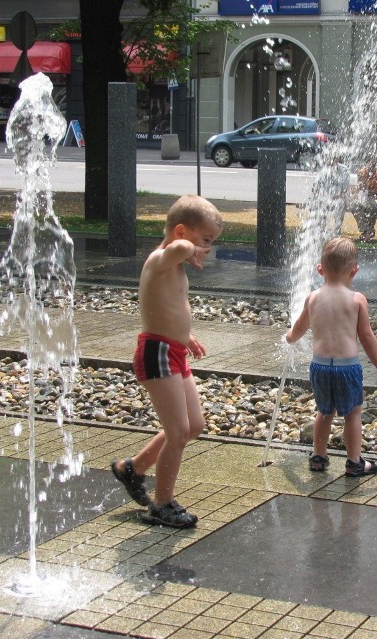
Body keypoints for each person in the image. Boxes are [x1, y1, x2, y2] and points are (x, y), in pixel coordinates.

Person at [111, 195, 223, 528]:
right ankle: (161, 504)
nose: (207, 249)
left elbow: (167, 306)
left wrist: (185, 335)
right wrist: (192, 249)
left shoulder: (173, 265)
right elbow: (177, 250)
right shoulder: (161, 258)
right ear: (179, 231)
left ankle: (133, 468)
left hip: (172, 350)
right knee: (177, 433)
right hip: (156, 352)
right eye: (205, 241)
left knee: (193, 427)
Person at [286, 237, 377, 477]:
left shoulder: (313, 298)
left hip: (320, 366)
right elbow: (366, 337)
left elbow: (300, 328)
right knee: (352, 413)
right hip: (347, 368)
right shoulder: (357, 300)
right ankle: (354, 461)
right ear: (354, 271)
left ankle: (318, 456)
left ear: (320, 269)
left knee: (324, 411)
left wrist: (290, 338)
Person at [350, 159, 377, 241]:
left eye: (374, 164)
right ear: (367, 164)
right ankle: (367, 230)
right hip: (367, 196)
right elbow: (360, 188)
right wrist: (366, 190)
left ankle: (369, 230)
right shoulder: (362, 172)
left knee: (372, 206)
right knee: (355, 206)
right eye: (370, 164)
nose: (372, 167)